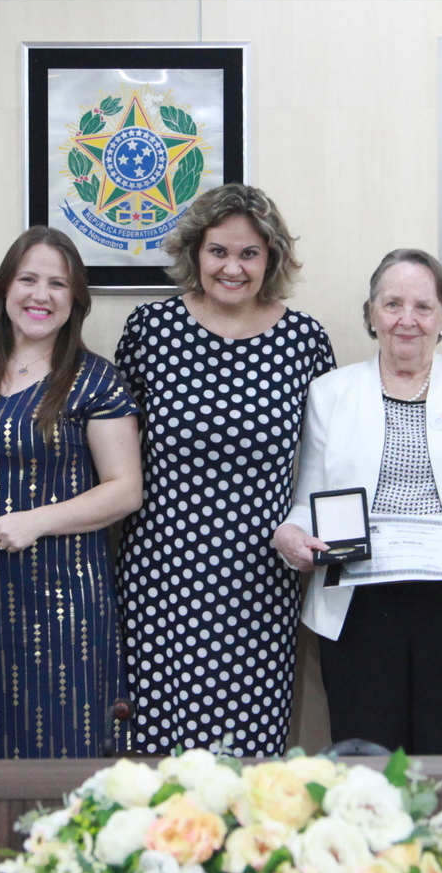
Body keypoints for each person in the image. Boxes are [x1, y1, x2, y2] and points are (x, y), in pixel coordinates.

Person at [273, 249, 442, 755]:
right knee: (366, 768)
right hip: (360, 606)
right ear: (370, 313)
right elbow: (309, 502)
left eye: (423, 307)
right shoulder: (329, 393)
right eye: (392, 304)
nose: (407, 320)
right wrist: (290, 534)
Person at [115, 186, 335, 755]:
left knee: (250, 763)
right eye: (218, 252)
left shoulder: (304, 342)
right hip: (159, 578)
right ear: (195, 253)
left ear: (272, 260)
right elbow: (115, 451)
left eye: (249, 254)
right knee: (152, 762)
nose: (232, 268)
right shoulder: (151, 331)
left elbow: (325, 462)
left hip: (261, 581)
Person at [0, 228, 142, 758]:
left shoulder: (95, 380)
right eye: (28, 279)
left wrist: (34, 521)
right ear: (3, 290)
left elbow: (126, 490)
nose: (41, 295)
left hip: (62, 600)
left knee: (59, 746)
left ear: (75, 300)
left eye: (58, 284)